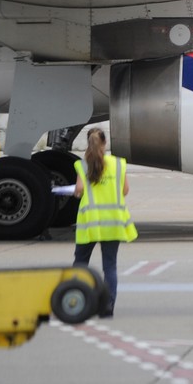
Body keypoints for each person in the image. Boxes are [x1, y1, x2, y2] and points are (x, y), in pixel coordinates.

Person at [71, 128, 138, 317]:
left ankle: (78, 300)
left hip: (90, 223)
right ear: (105, 143)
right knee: (110, 266)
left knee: (80, 262)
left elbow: (79, 189)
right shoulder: (118, 164)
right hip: (113, 222)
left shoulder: (83, 165)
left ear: (88, 143)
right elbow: (125, 191)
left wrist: (78, 192)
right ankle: (108, 305)